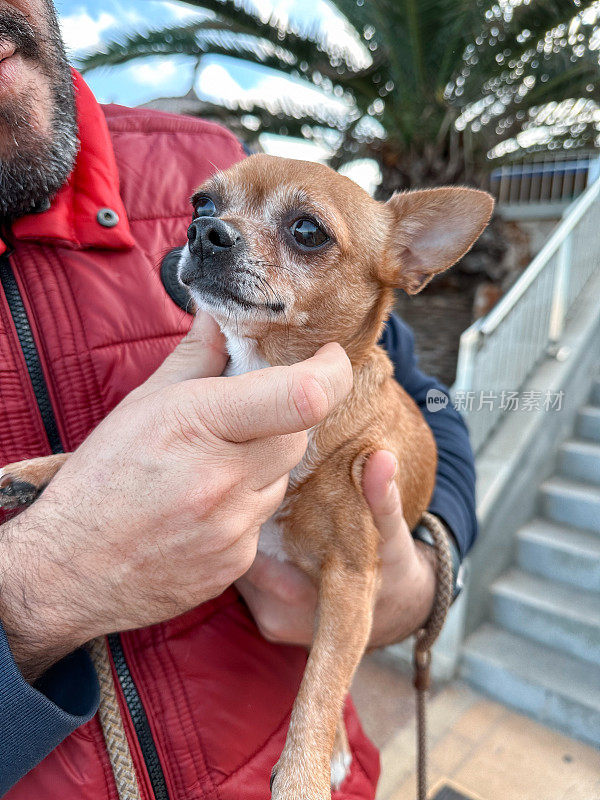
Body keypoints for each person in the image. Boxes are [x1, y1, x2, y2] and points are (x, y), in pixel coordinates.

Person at [0, 1, 476, 797]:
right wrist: (39, 587)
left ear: (403, 260)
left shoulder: (212, 153)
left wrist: (428, 573)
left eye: (305, 234)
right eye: (209, 214)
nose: (214, 235)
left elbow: (429, 401)